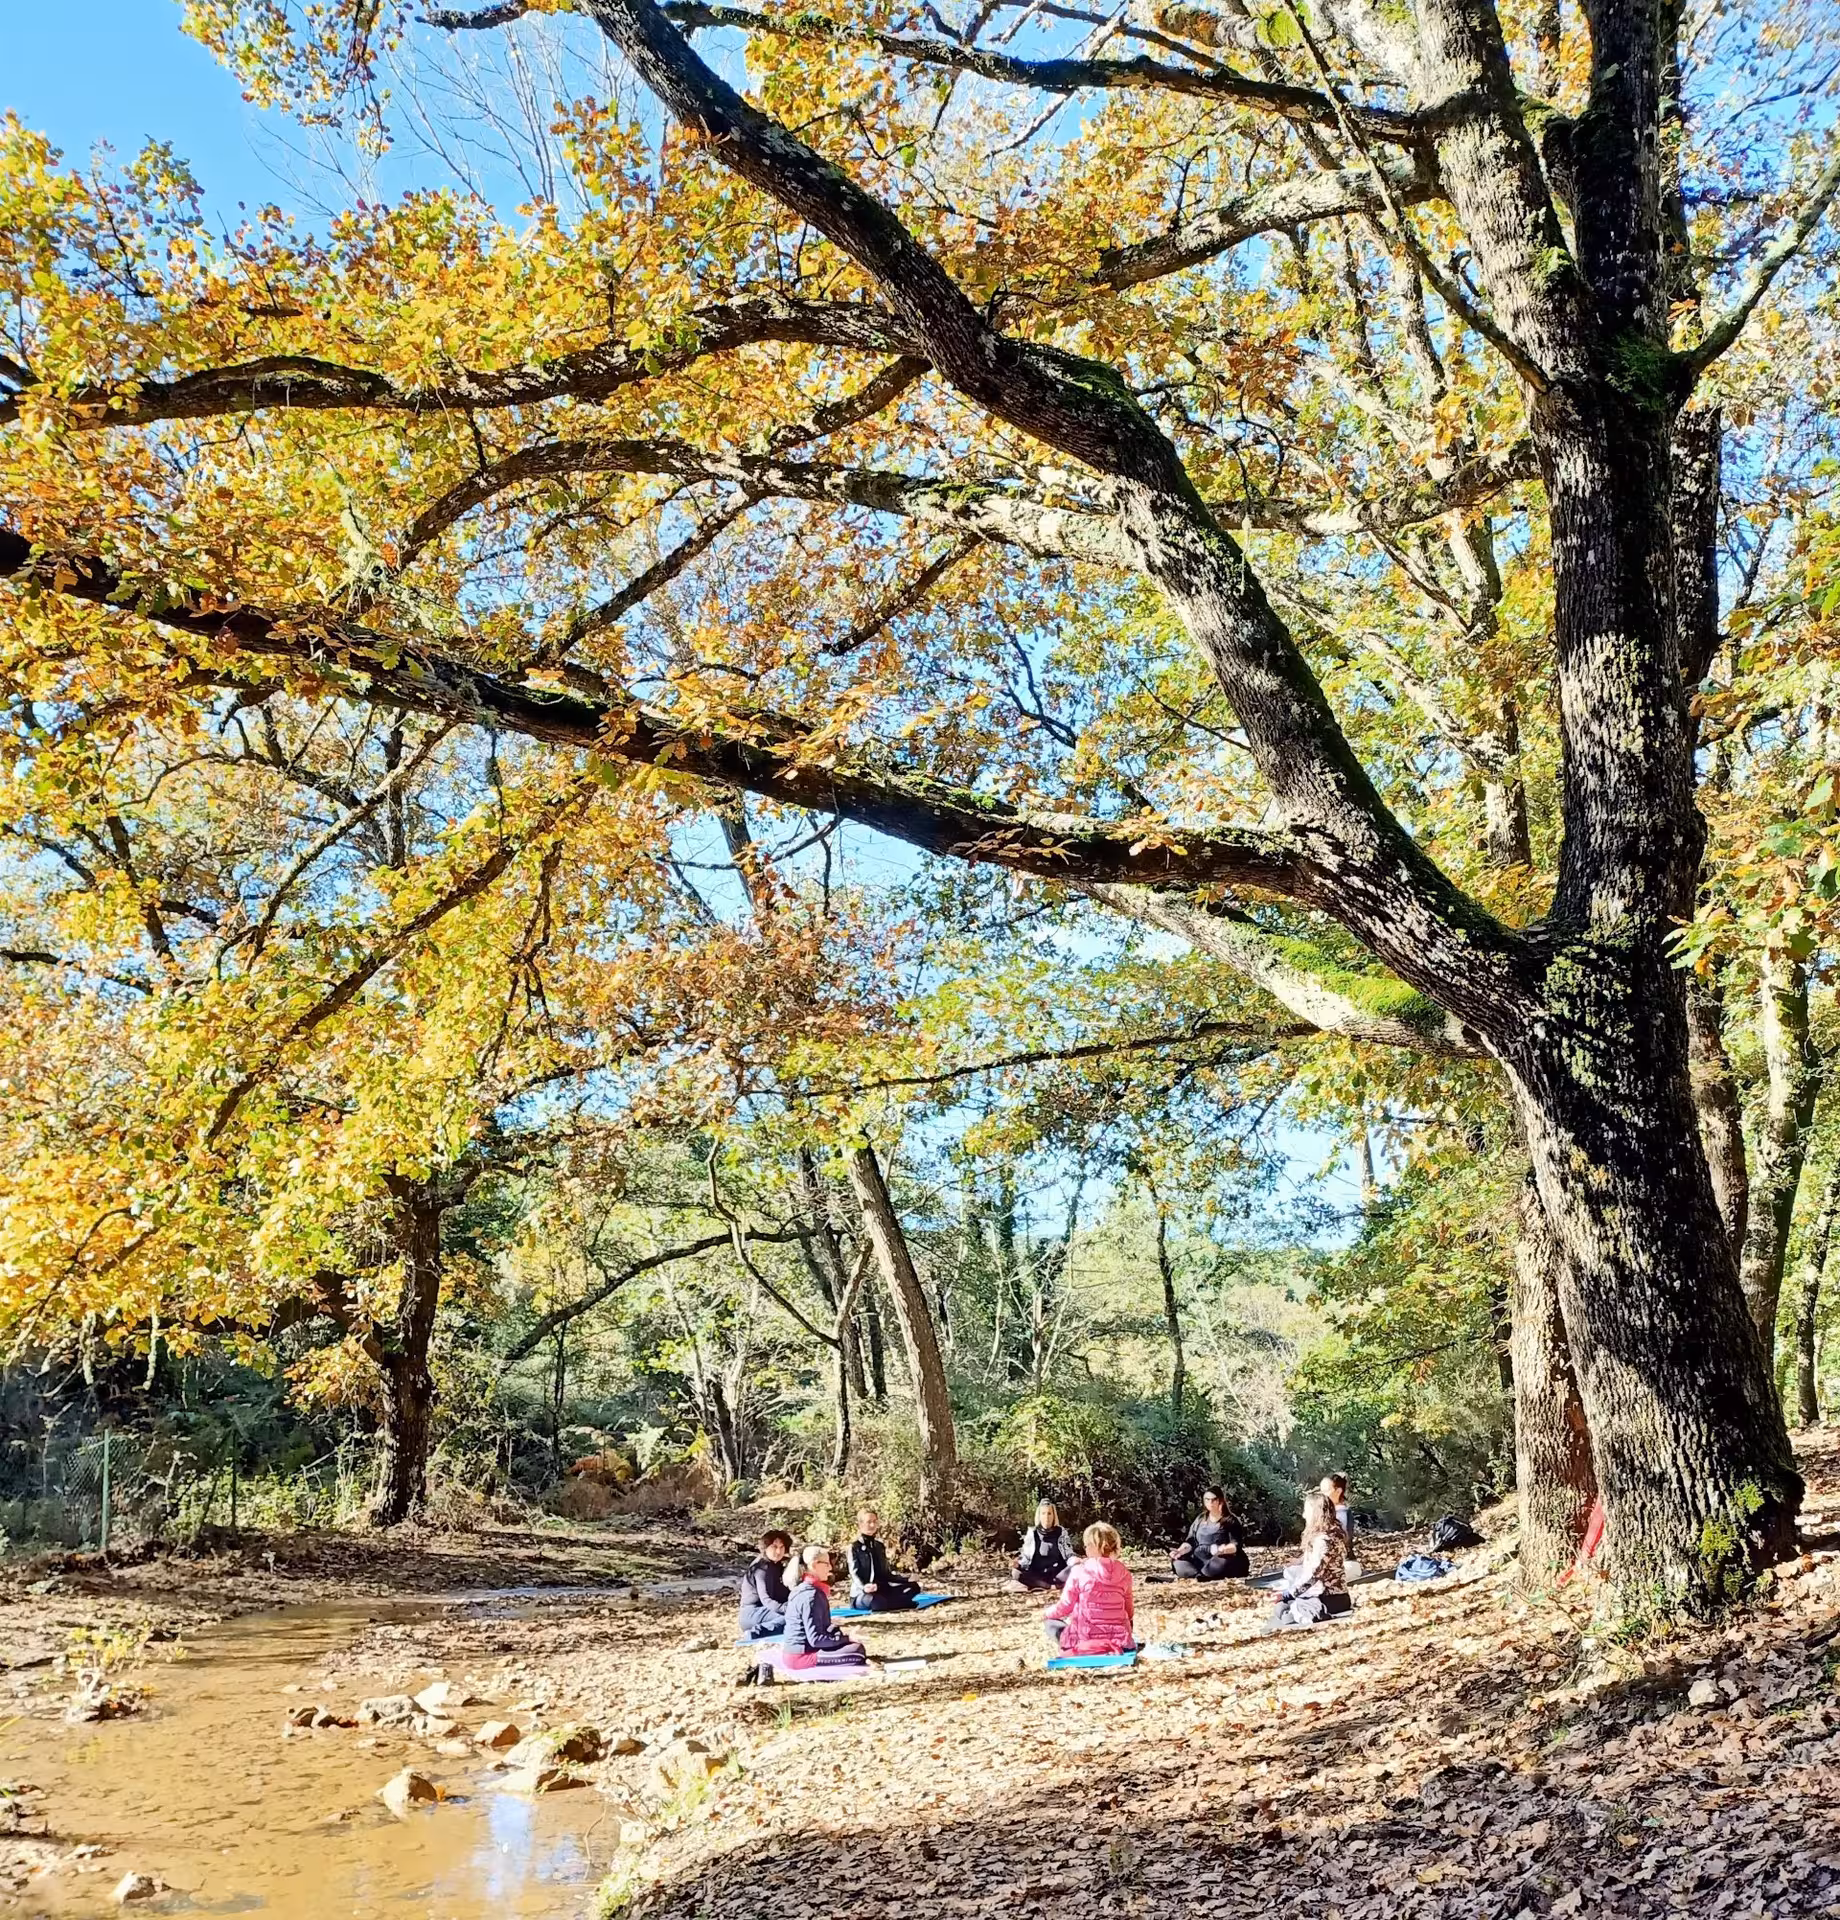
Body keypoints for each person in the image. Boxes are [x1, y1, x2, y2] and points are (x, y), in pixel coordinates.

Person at [1043, 1521, 1136, 1655]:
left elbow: (1065, 1606)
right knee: (1126, 1620)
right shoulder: (1124, 1573)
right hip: (1119, 1640)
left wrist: (1047, 1613)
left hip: (1086, 1640)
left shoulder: (1080, 1571)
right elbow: (1129, 1609)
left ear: (1094, 1546)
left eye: (1086, 1545)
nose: (1085, 1549)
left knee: (1050, 1623)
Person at [1270, 1491, 1352, 1629]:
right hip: (1325, 1595)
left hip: (1329, 1598)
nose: (1303, 1515)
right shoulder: (1330, 1536)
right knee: (1282, 1608)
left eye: (1306, 1511)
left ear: (1316, 1513)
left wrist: (1287, 1594)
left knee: (1283, 1612)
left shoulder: (1323, 1541)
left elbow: (1314, 1576)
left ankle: (1314, 1613)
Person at [781, 1544, 870, 1670]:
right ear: (814, 1565)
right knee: (857, 1651)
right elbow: (816, 1639)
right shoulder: (811, 1596)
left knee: (843, 1639)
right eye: (826, 1563)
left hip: (799, 1652)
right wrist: (847, 1638)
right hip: (802, 1656)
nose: (830, 1567)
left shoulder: (805, 1589)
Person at [848, 1508, 922, 1612]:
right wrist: (864, 1587)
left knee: (914, 1587)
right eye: (869, 1522)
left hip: (881, 1590)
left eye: (874, 1522)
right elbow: (854, 1573)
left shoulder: (879, 1546)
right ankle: (898, 1603)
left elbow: (887, 1574)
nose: (872, 1525)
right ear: (860, 1524)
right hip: (863, 1594)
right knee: (878, 1602)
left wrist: (907, 1579)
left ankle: (895, 1602)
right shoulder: (854, 1547)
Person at [1170, 1486, 1250, 1580]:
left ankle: (1204, 1575)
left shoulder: (1230, 1521)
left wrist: (1223, 1550)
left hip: (1219, 1558)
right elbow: (1190, 1541)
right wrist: (1180, 1551)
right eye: (1207, 1500)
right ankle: (1197, 1575)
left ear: (1220, 1500)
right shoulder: (1200, 1519)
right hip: (1199, 1559)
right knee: (1178, 1561)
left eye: (1213, 1500)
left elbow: (1235, 1545)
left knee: (1220, 1563)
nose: (1210, 1503)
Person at [738, 1528, 793, 1642]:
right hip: (753, 1613)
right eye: (774, 1547)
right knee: (793, 1618)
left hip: (768, 1611)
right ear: (765, 1548)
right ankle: (756, 1633)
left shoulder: (777, 1564)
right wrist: (786, 1609)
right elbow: (766, 1599)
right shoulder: (761, 1568)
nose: (778, 1552)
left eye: (781, 1547)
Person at [1011, 1500, 1078, 1591]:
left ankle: (1047, 1585)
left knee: (1077, 1567)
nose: (1046, 1517)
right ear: (1039, 1515)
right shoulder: (1032, 1533)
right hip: (1038, 1574)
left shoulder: (1061, 1532)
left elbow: (1068, 1553)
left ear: (1054, 1515)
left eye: (1049, 1513)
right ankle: (1048, 1586)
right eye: (1043, 1513)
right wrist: (1018, 1564)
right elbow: (1026, 1557)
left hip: (1058, 1574)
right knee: (1016, 1573)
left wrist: (1075, 1560)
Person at [1322, 1472, 1362, 1579]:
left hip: (1345, 1565)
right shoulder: (1327, 1513)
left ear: (1338, 1491)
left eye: (1326, 1491)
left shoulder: (1342, 1514)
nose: (1323, 1495)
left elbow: (1339, 1544)